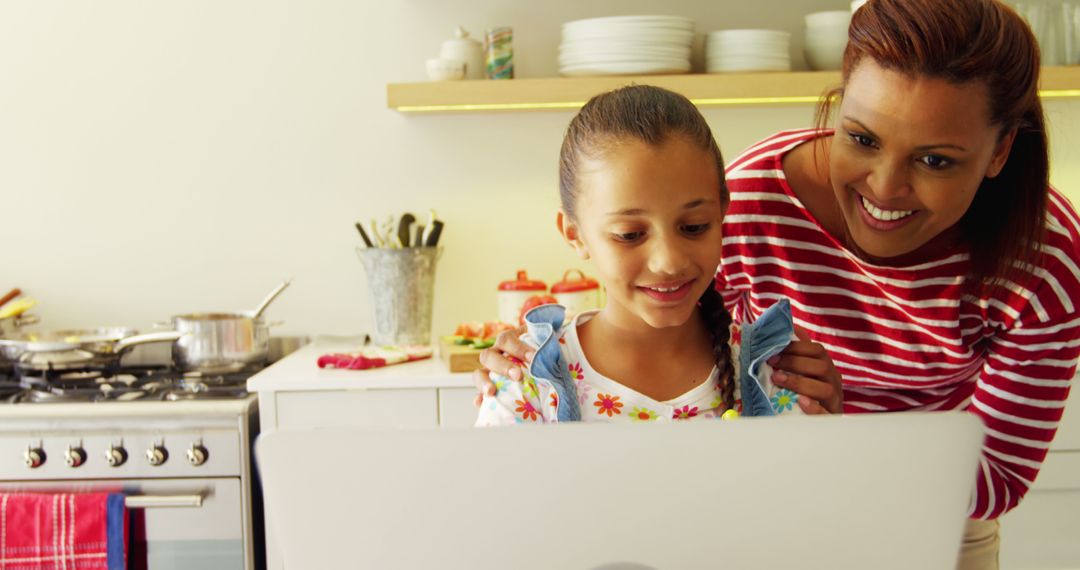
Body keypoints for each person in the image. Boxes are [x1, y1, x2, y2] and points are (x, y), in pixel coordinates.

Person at [474, 0, 1080, 567]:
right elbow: (672, 317)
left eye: (936, 160)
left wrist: (834, 443)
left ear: (999, 151)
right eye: (862, 139)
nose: (884, 188)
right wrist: (536, 363)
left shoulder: (1046, 260)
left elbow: (996, 475)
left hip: (935, 508)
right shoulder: (756, 200)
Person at [476, 85, 832, 427]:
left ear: (722, 212)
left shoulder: (772, 371)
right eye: (630, 235)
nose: (669, 261)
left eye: (694, 226)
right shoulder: (528, 380)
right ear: (574, 234)